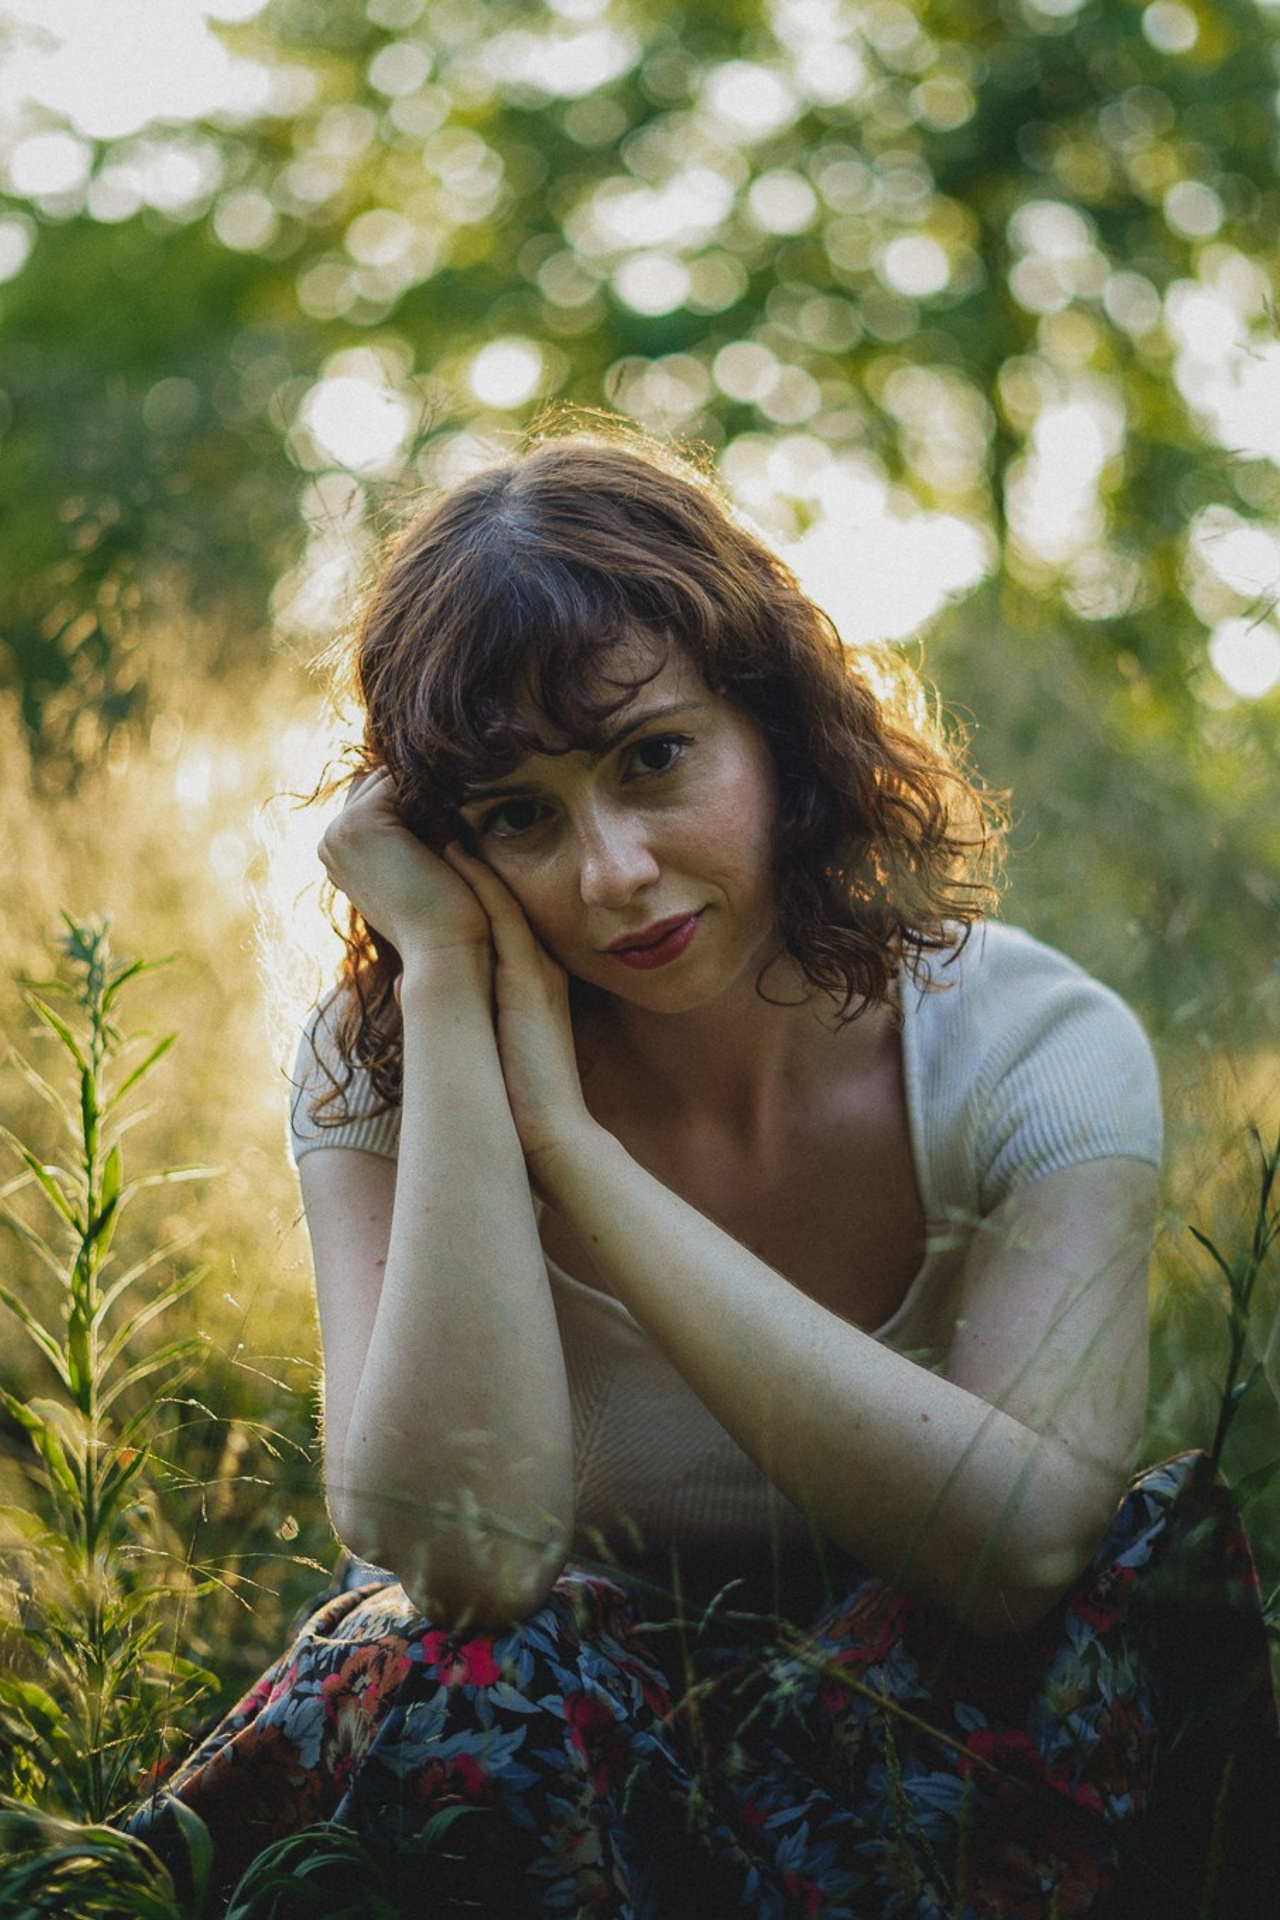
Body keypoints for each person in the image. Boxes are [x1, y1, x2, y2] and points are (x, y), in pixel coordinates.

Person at [128, 429, 1277, 1918]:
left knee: (1115, 1600)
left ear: (779, 734)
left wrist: (580, 1157)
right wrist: (452, 1001)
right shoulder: (393, 1061)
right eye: (516, 815)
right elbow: (460, 1561)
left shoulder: (1032, 1047)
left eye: (653, 759)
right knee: (430, 1664)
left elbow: (1027, 1549)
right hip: (567, 1802)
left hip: (941, 1776)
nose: (610, 873)